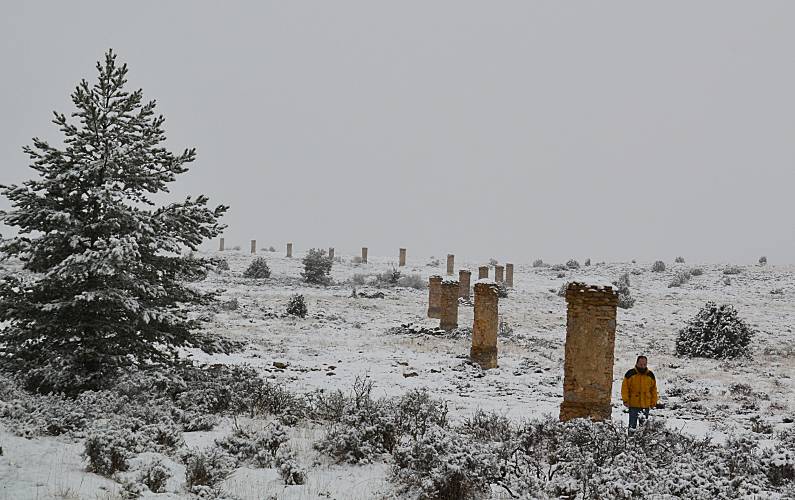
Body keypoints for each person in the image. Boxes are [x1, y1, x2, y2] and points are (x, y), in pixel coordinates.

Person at [621, 355, 658, 431]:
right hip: (633, 405)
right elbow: (624, 388)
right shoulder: (630, 374)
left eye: (644, 364)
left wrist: (654, 401)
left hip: (645, 405)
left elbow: (653, 390)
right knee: (632, 426)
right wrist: (625, 400)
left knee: (643, 427)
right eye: (641, 364)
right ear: (637, 363)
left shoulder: (650, 375)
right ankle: (630, 438)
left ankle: (643, 438)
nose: (643, 366)